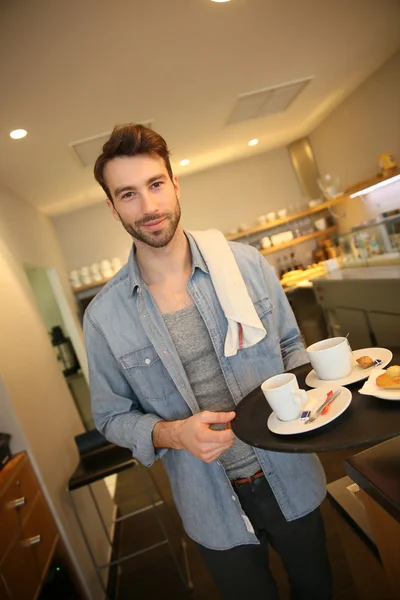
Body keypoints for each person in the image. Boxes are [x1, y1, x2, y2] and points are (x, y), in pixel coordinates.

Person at [84, 123, 332, 600]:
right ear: (112, 207)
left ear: (175, 184)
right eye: (128, 194)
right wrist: (174, 433)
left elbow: (290, 346)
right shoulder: (103, 319)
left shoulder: (247, 265)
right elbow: (111, 416)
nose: (149, 206)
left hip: (290, 473)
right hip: (209, 503)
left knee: (318, 589)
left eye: (156, 184)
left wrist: (312, 398)